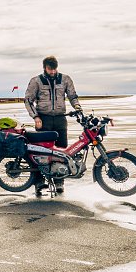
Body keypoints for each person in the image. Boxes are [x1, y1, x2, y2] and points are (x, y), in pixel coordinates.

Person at [24, 55, 82, 194]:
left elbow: (72, 96)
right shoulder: (36, 81)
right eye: (50, 69)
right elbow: (28, 100)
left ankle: (59, 181)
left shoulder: (65, 79)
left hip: (61, 119)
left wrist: (77, 107)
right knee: (39, 151)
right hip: (44, 119)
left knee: (61, 150)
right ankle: (38, 182)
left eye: (55, 69)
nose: (53, 72)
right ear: (45, 67)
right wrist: (36, 117)